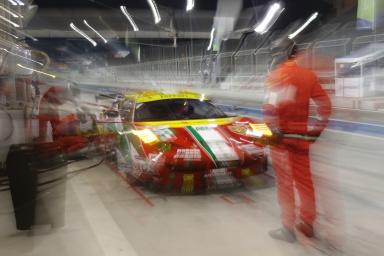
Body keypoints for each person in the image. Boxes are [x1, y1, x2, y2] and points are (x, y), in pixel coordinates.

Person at [263, 38, 332, 243]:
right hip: (302, 139)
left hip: (281, 140)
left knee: (285, 184)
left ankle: (287, 227)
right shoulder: (308, 76)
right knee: (304, 182)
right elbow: (325, 106)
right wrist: (316, 130)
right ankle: (308, 224)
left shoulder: (275, 76)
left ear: (280, 54)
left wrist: (271, 132)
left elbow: (270, 110)